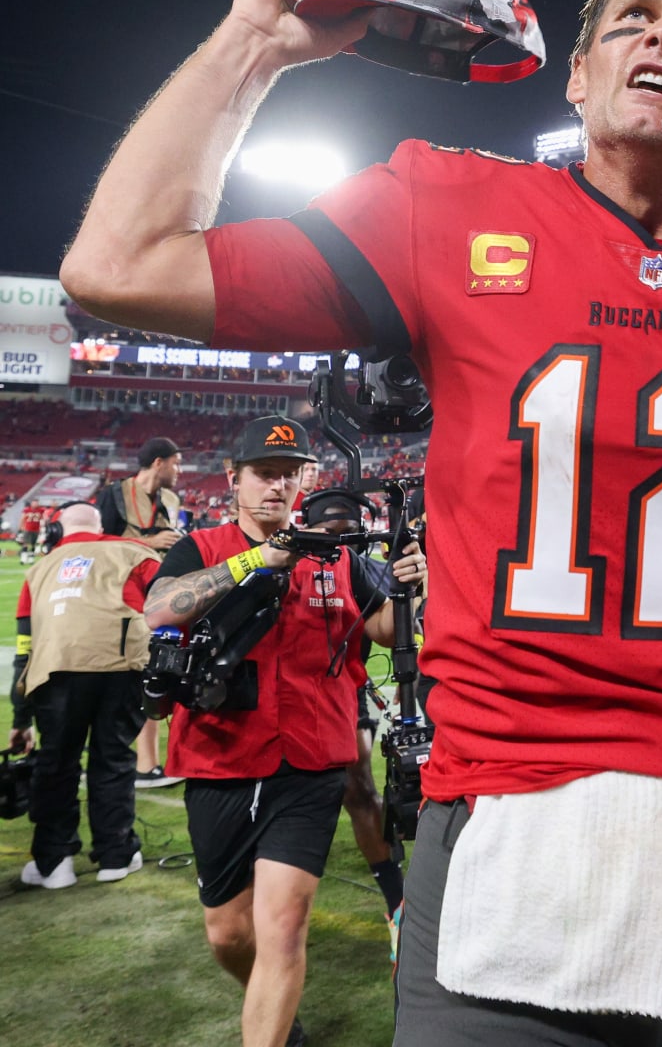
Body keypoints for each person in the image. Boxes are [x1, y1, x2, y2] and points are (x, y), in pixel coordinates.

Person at [62, 0, 662, 1047]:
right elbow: (117, 264)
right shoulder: (443, 207)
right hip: (504, 849)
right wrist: (258, 49)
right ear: (576, 74)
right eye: (636, 16)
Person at [143, 416, 425, 1047]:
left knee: (285, 924)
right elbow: (159, 607)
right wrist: (258, 560)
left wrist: (410, 589)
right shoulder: (205, 547)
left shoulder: (341, 558)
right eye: (264, 475)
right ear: (233, 479)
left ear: (307, 480)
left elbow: (385, 630)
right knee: (229, 934)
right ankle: (275, 1013)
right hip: (220, 758)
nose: (277, 488)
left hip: (312, 765)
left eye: (289, 475)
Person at [8, 501, 161, 889]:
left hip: (56, 670)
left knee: (56, 763)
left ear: (57, 529)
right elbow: (168, 610)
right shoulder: (138, 554)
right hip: (123, 667)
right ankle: (116, 855)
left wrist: (20, 718)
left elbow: (24, 650)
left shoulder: (39, 570)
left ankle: (54, 862)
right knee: (113, 759)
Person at [301, 486, 424, 922]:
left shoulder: (354, 564)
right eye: (328, 531)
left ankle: (396, 899)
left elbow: (386, 632)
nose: (338, 539)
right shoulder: (284, 558)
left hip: (341, 695)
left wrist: (408, 585)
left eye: (349, 531)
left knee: (359, 789)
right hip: (284, 698)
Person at [98, 435, 186, 788]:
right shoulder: (113, 494)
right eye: (175, 463)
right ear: (158, 463)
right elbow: (97, 544)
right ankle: (143, 764)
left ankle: (149, 764)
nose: (179, 470)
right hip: (121, 596)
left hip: (160, 593)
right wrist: (147, 543)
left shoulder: (171, 499)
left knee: (158, 675)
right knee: (138, 676)